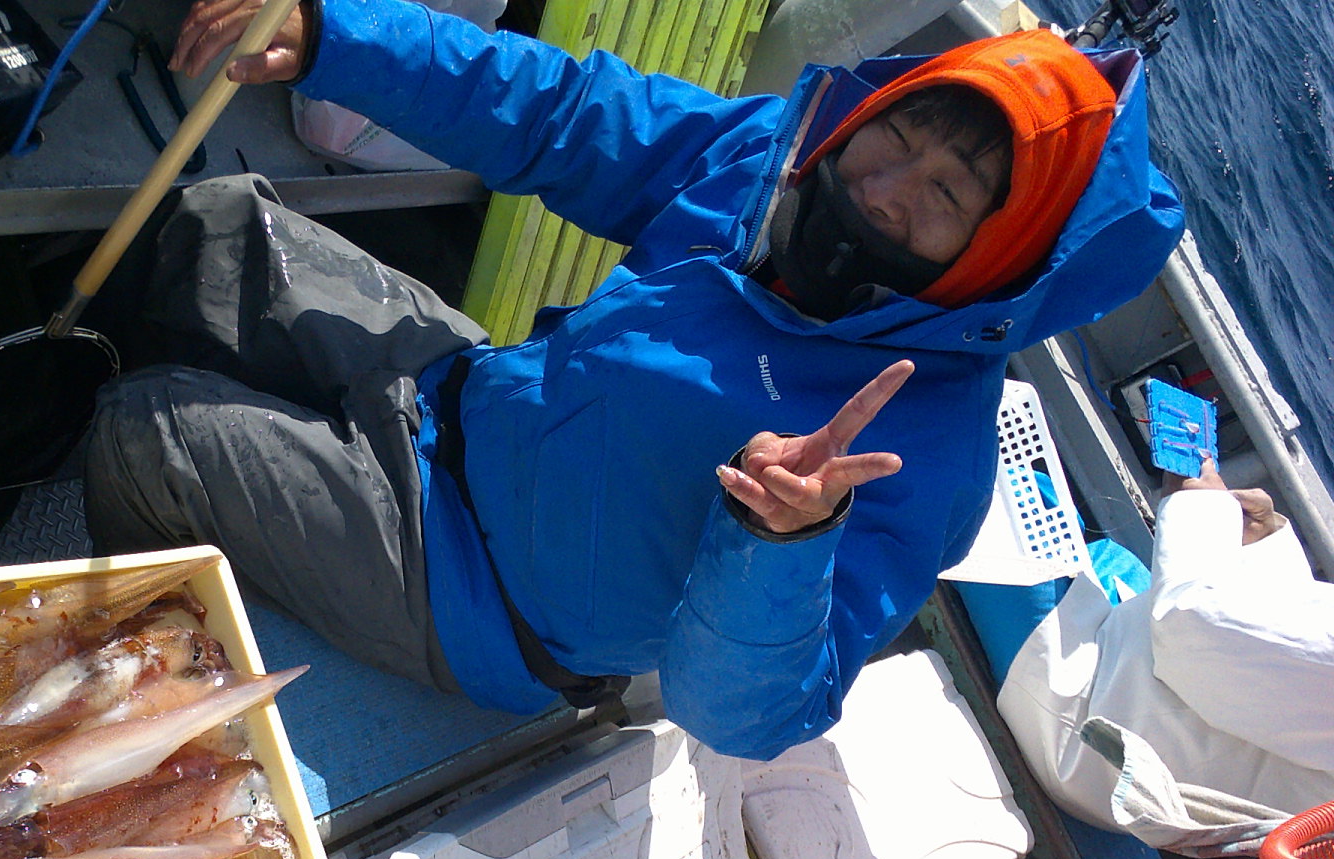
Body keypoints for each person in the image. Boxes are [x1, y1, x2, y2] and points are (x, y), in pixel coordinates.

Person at [83, 0, 1185, 760]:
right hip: (460, 399)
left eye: (945, 197)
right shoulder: (772, 162)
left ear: (998, 258)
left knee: (148, 434)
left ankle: (105, 680)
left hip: (474, 598)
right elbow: (564, 116)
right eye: (895, 135)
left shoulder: (924, 454)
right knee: (213, 228)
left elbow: (745, 715)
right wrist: (334, 37)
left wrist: (782, 540)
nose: (887, 189)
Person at [996, 459, 1334, 855]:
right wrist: (1262, 545)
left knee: (995, 477)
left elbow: (1191, 628)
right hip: (1126, 719)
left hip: (1077, 704)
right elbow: (1294, 687)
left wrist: (1196, 504)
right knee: (1096, 545)